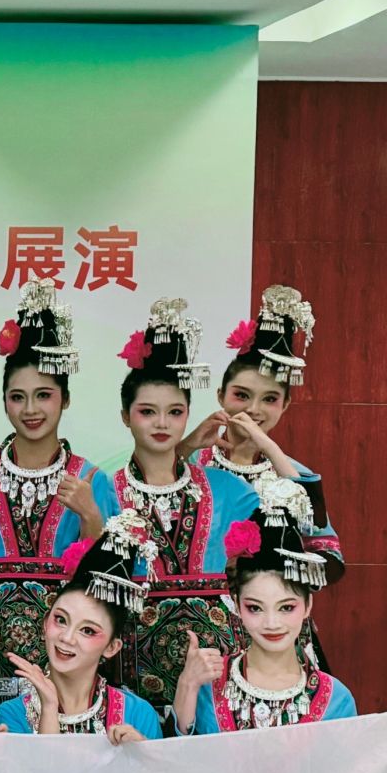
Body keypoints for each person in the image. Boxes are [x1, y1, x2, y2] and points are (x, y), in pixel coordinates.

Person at [0, 278, 117, 705]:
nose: (30, 409)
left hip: (64, 654)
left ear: (65, 399)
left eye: (43, 395)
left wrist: (91, 518)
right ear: (4, 401)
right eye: (17, 397)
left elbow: (105, 576)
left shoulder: (93, 479)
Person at [110, 297, 260, 721]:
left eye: (174, 412)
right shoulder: (105, 489)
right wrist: (189, 445)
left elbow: (300, 519)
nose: (162, 423)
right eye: (147, 412)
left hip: (218, 667)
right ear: (125, 416)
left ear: (188, 415)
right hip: (133, 674)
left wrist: (264, 444)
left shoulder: (229, 490)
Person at [177, 476, 358, 732]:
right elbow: (178, 756)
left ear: (308, 605)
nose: (272, 623)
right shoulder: (208, 685)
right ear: (236, 604)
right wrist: (187, 685)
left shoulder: (336, 700)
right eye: (255, 608)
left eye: (286, 607)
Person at [185, 285, 342, 571]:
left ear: (285, 405)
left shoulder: (295, 474)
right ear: (220, 396)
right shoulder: (192, 461)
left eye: (269, 399)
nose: (253, 409)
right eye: (241, 395)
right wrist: (187, 445)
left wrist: (270, 448)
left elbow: (327, 555)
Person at [0, 512, 165, 742]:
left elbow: (158, 769)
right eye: (61, 620)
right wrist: (49, 707)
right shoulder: (13, 714)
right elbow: (40, 767)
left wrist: (140, 754)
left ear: (112, 647)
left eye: (88, 631)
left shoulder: (138, 714)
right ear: (45, 622)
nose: (67, 638)